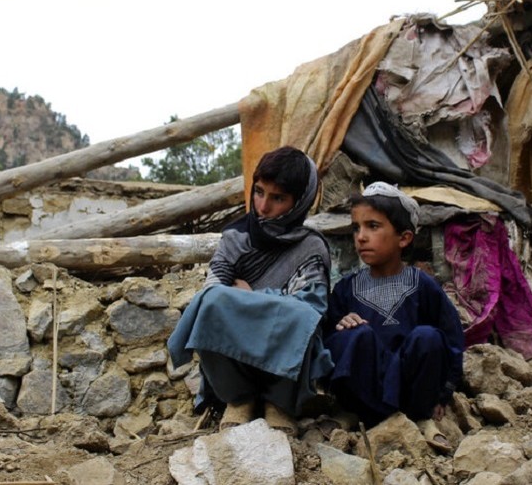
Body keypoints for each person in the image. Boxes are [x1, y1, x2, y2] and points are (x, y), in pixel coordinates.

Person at [167, 146, 333, 433]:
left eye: (278, 198)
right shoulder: (236, 237)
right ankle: (239, 398)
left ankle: (278, 403)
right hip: (236, 359)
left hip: (284, 364)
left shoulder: (311, 247)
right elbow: (214, 289)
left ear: (300, 201)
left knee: (299, 318)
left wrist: (249, 296)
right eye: (259, 192)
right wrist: (269, 302)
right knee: (212, 303)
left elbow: (311, 309)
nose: (263, 206)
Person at [324, 182, 466, 432]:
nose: (361, 237)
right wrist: (343, 328)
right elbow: (326, 344)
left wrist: (444, 393)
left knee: (428, 337)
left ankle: (417, 418)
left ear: (404, 238)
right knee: (356, 334)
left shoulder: (422, 285)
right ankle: (357, 415)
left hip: (410, 393)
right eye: (356, 228)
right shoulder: (346, 288)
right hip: (363, 393)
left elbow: (451, 338)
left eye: (373, 226)